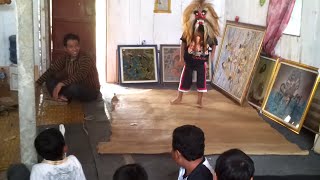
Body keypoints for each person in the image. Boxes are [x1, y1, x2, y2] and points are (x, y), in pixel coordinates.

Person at [171, 0, 219, 108]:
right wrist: (182, 57)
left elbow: (214, 44)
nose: (200, 15)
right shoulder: (188, 30)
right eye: (197, 13)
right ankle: (179, 97)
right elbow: (183, 43)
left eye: (203, 13)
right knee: (184, 79)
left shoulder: (209, 32)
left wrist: (211, 57)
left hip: (202, 62)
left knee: (201, 81)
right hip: (189, 60)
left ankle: (199, 101)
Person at [36, 33, 100, 102]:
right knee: (49, 78)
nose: (75, 49)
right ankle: (61, 97)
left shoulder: (86, 57)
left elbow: (81, 75)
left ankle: (62, 96)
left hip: (90, 90)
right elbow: (52, 70)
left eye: (77, 46)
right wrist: (37, 83)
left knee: (73, 88)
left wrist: (61, 84)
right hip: (72, 84)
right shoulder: (65, 57)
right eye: (71, 47)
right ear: (65, 48)